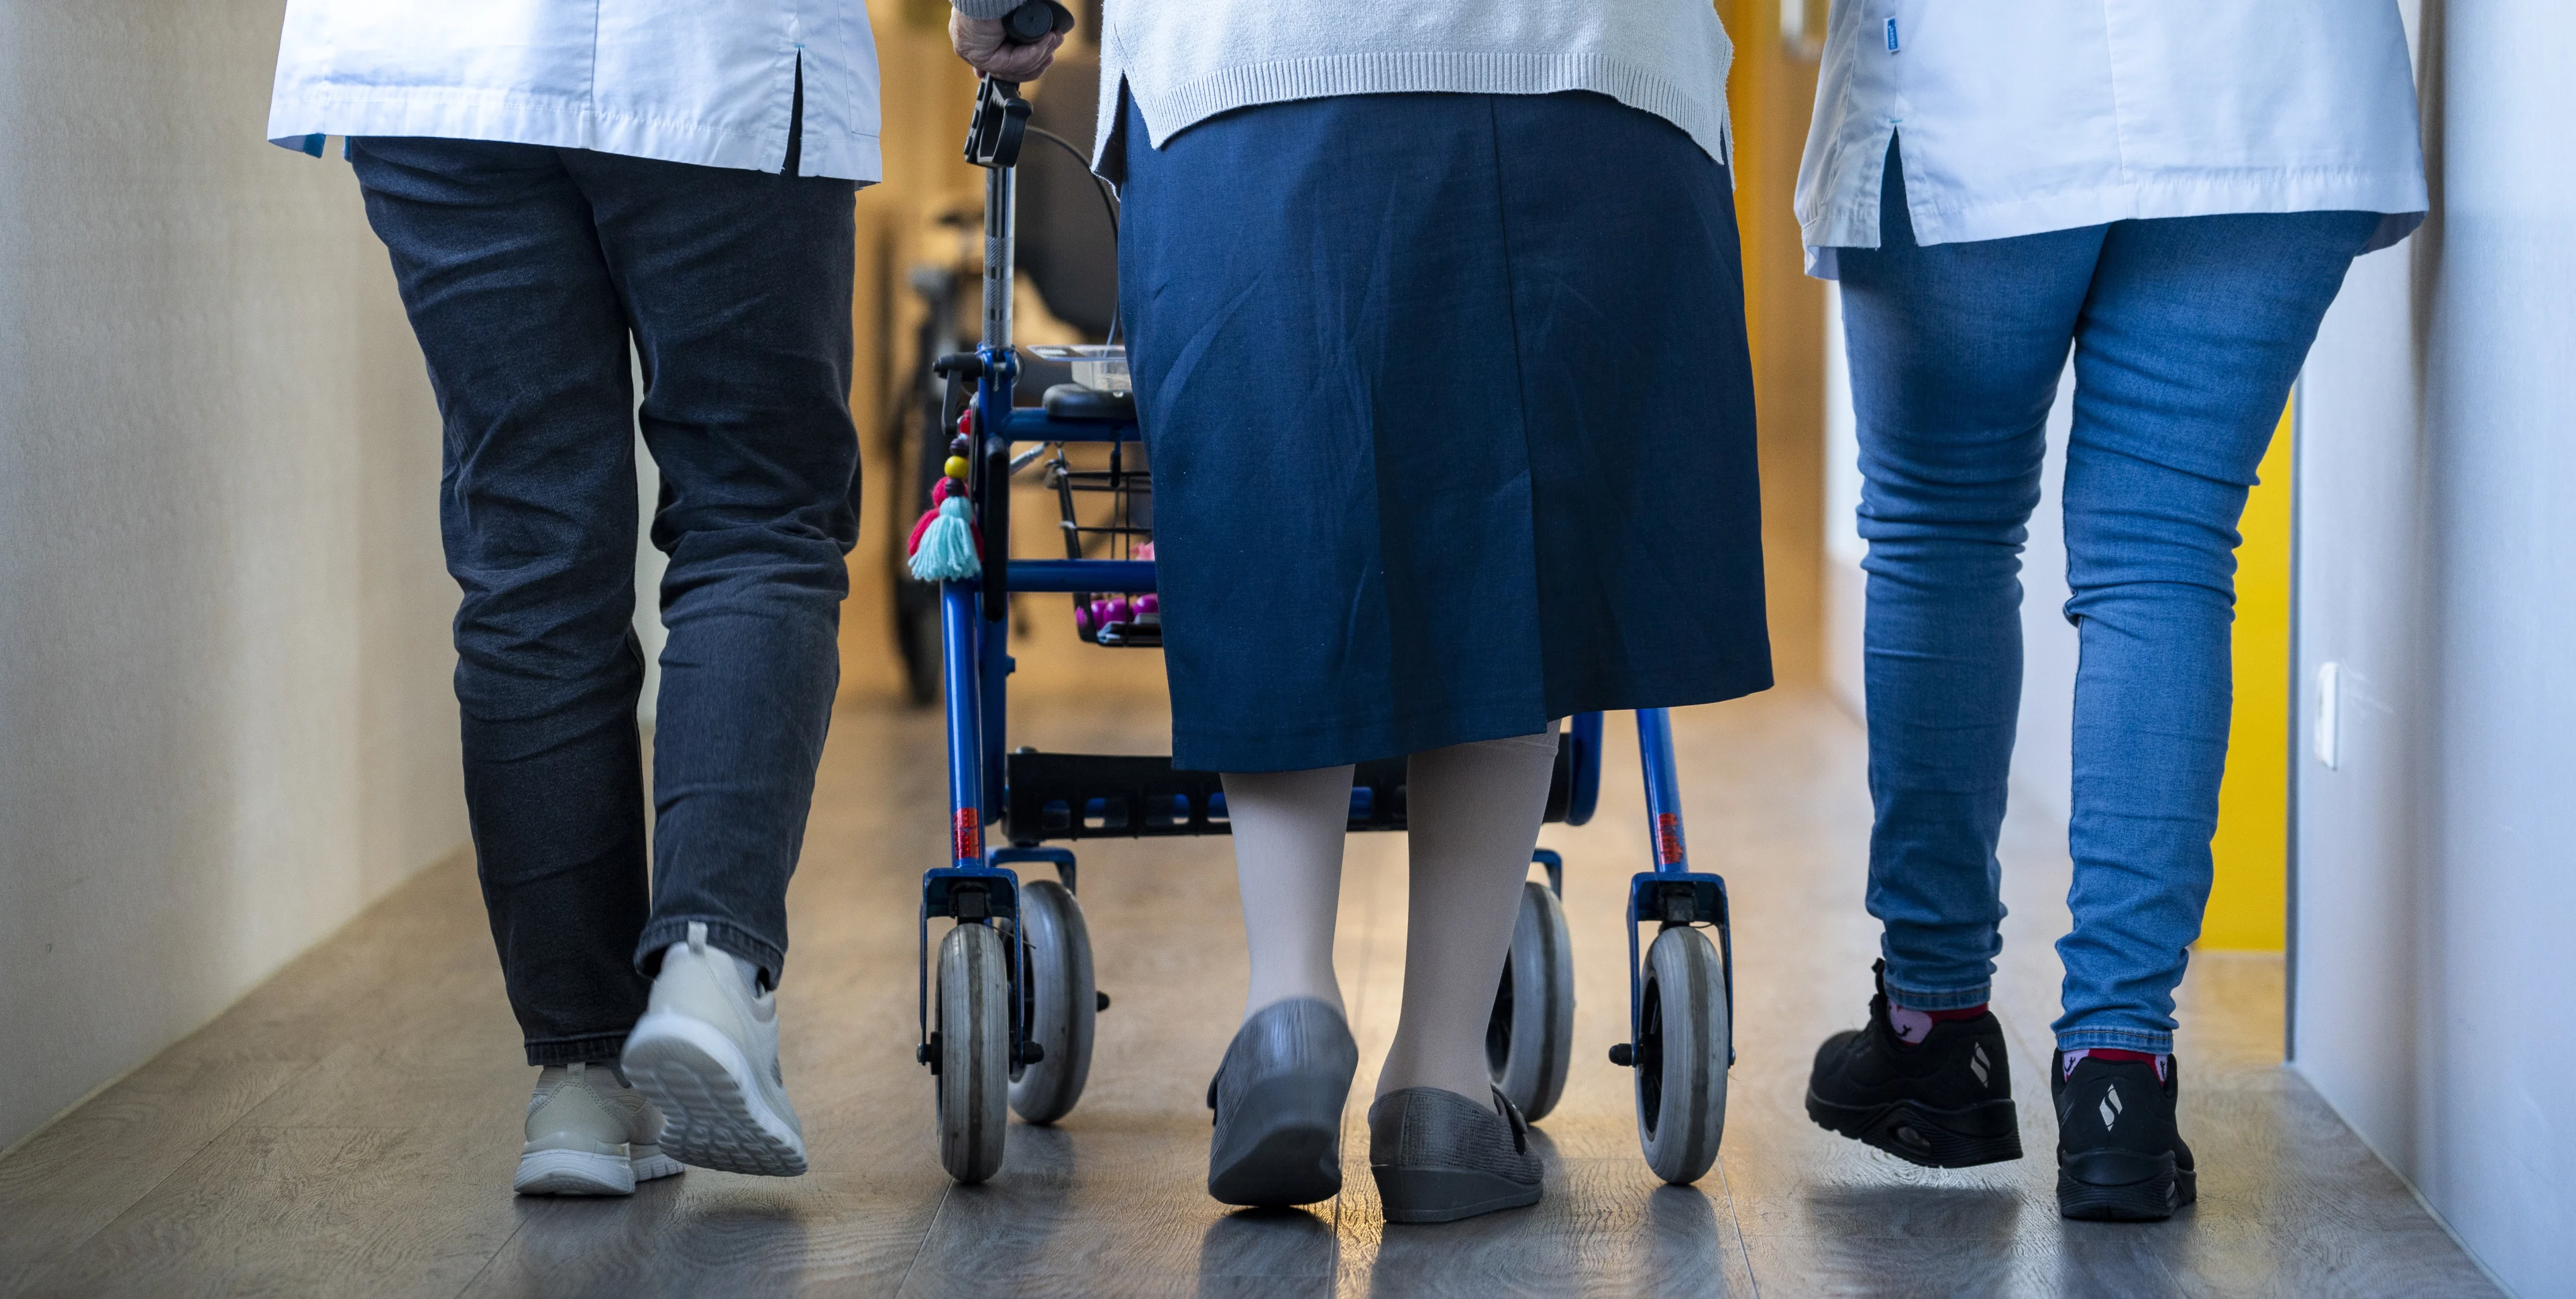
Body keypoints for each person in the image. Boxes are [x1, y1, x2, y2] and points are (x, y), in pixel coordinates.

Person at [953, 1, 1771, 1222]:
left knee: (1283, 505)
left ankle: (1291, 1006)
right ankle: (1443, 1082)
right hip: (1595, 75)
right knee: (1516, 532)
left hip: (1262, 71)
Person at [1794, 3, 2426, 1220]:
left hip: (1984, 76)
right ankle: (2120, 1071)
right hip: (2266, 77)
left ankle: (1934, 1031)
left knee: (1941, 533)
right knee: (2165, 555)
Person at [266, 3, 883, 1194]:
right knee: (756, 513)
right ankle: (711, 965)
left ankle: (581, 1089)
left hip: (437, 62)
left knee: (531, 554)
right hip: (717, 53)